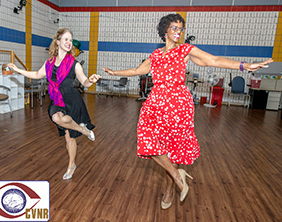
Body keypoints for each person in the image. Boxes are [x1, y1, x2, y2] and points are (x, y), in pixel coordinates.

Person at [103, 13, 273, 209]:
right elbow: (137, 71)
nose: (178, 32)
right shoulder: (156, 55)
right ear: (164, 31)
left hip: (177, 105)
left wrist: (245, 66)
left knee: (172, 151)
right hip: (155, 102)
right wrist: (115, 73)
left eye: (181, 29)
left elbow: (214, 60)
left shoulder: (185, 50)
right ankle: (177, 175)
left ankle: (169, 189)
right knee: (146, 139)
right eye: (174, 28)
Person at [8, 28, 101, 180]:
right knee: (57, 118)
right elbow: (37, 75)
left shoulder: (74, 64)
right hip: (57, 100)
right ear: (57, 42)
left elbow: (84, 82)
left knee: (69, 138)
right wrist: (19, 70)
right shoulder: (49, 63)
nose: (69, 43)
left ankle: (71, 165)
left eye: (70, 40)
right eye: (66, 39)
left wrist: (90, 81)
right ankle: (83, 130)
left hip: (72, 100)